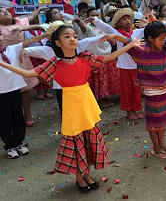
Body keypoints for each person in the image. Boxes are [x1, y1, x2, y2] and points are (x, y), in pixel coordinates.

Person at [0, 24, 142, 193]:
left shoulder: (85, 57)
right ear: (58, 43)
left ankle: (86, 175)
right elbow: (29, 74)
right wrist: (3, 64)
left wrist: (130, 45)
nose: (72, 39)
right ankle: (79, 177)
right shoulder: (55, 63)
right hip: (71, 106)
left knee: (89, 140)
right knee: (77, 143)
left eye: (74, 35)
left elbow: (109, 57)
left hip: (87, 103)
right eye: (67, 36)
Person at [108, 22, 166, 158]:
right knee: (154, 122)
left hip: (165, 90)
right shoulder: (142, 50)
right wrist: (114, 37)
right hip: (152, 93)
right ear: (150, 39)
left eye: (164, 38)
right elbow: (128, 41)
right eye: (160, 39)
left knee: (163, 120)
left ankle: (162, 144)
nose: (163, 41)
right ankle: (156, 147)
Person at [0, 30, 50, 158]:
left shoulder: (11, 49)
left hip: (15, 89)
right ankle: (10, 145)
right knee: (4, 120)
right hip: (1, 93)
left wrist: (45, 34)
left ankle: (19, 142)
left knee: (18, 117)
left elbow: (29, 41)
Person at [91, 8, 146, 120]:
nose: (128, 21)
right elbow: (106, 27)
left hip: (136, 66)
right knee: (126, 90)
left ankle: (137, 109)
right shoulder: (116, 33)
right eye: (124, 19)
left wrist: (149, 22)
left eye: (128, 18)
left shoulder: (136, 32)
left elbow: (149, 30)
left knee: (137, 89)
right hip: (124, 67)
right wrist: (95, 20)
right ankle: (129, 111)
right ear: (118, 23)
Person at [0, 6, 46, 127]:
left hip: (21, 57)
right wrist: (33, 27)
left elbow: (30, 17)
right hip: (6, 59)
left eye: (6, 11)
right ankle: (10, 116)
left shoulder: (19, 22)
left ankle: (27, 115)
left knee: (24, 89)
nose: (6, 13)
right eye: (2, 12)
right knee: (7, 90)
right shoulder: (1, 28)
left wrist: (40, 9)